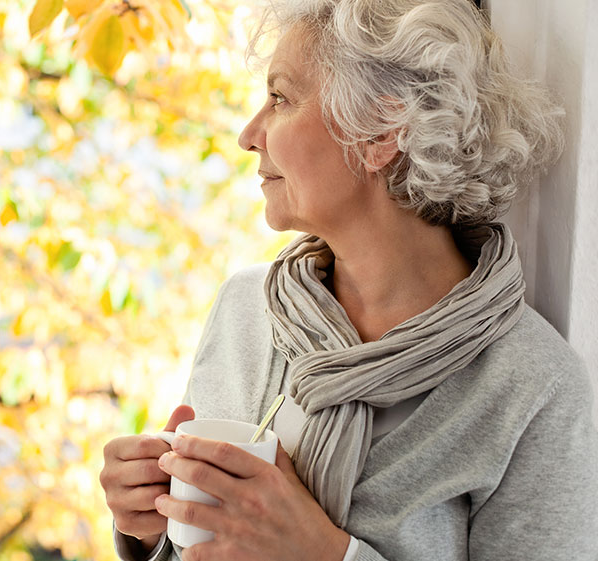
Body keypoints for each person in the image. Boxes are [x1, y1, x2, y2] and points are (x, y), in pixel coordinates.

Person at [99, 0, 598, 559]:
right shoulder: (246, 308)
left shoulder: (533, 389)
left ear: (380, 132)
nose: (248, 134)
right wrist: (151, 522)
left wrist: (325, 554)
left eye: (280, 98)